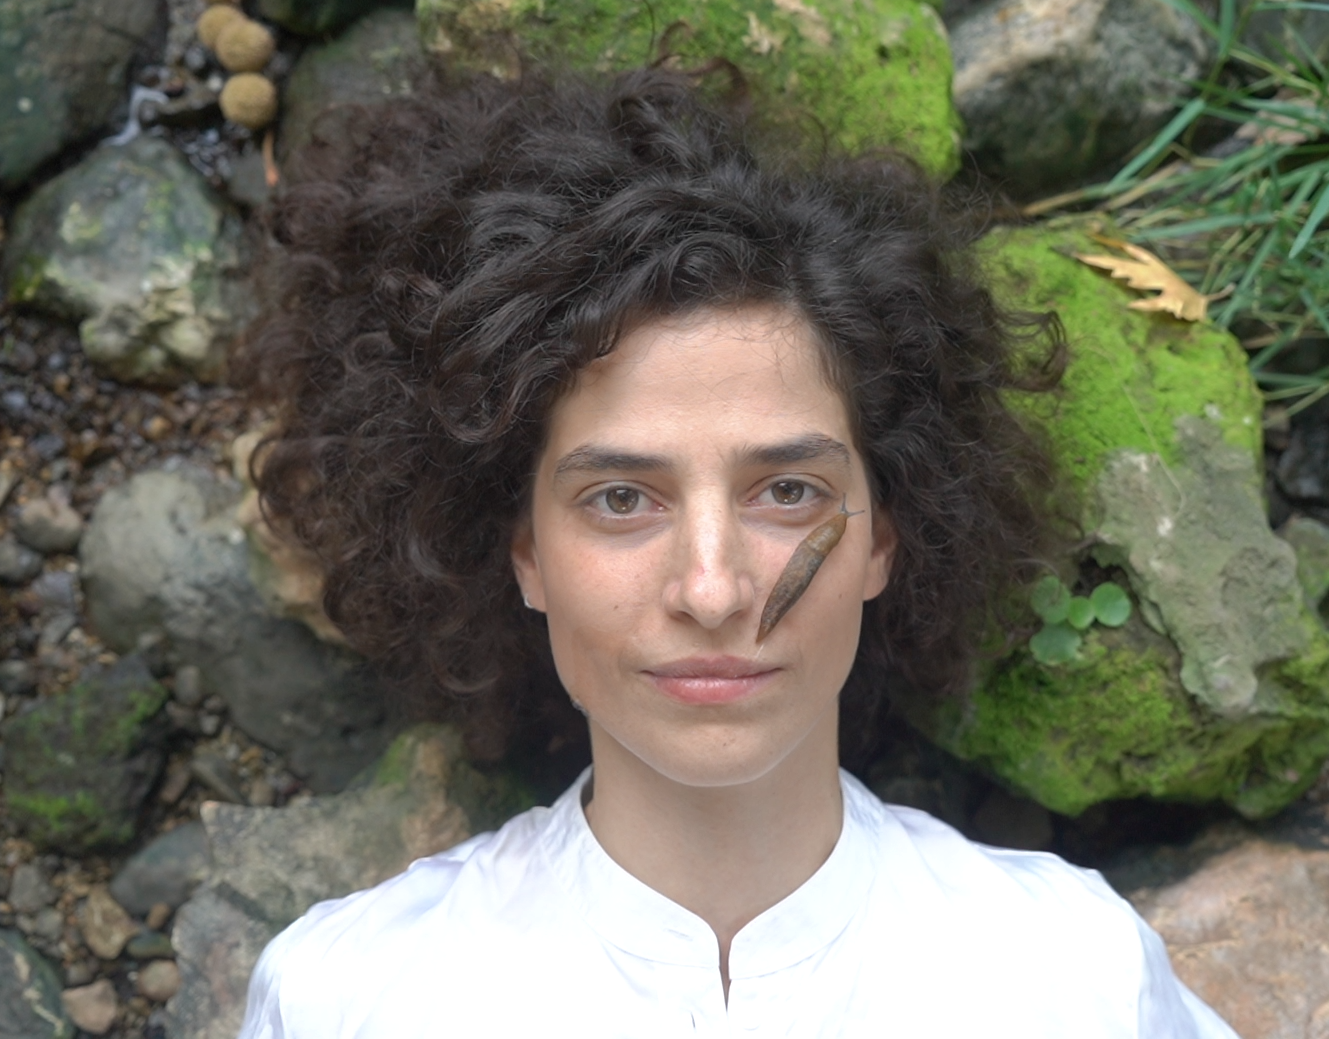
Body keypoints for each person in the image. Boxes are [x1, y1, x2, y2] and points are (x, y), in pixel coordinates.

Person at [235, 66, 1238, 1037]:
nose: (713, 591)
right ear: (525, 554)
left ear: (884, 537)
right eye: (621, 499)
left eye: (788, 492)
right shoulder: (346, 1001)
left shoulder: (1078, 977)